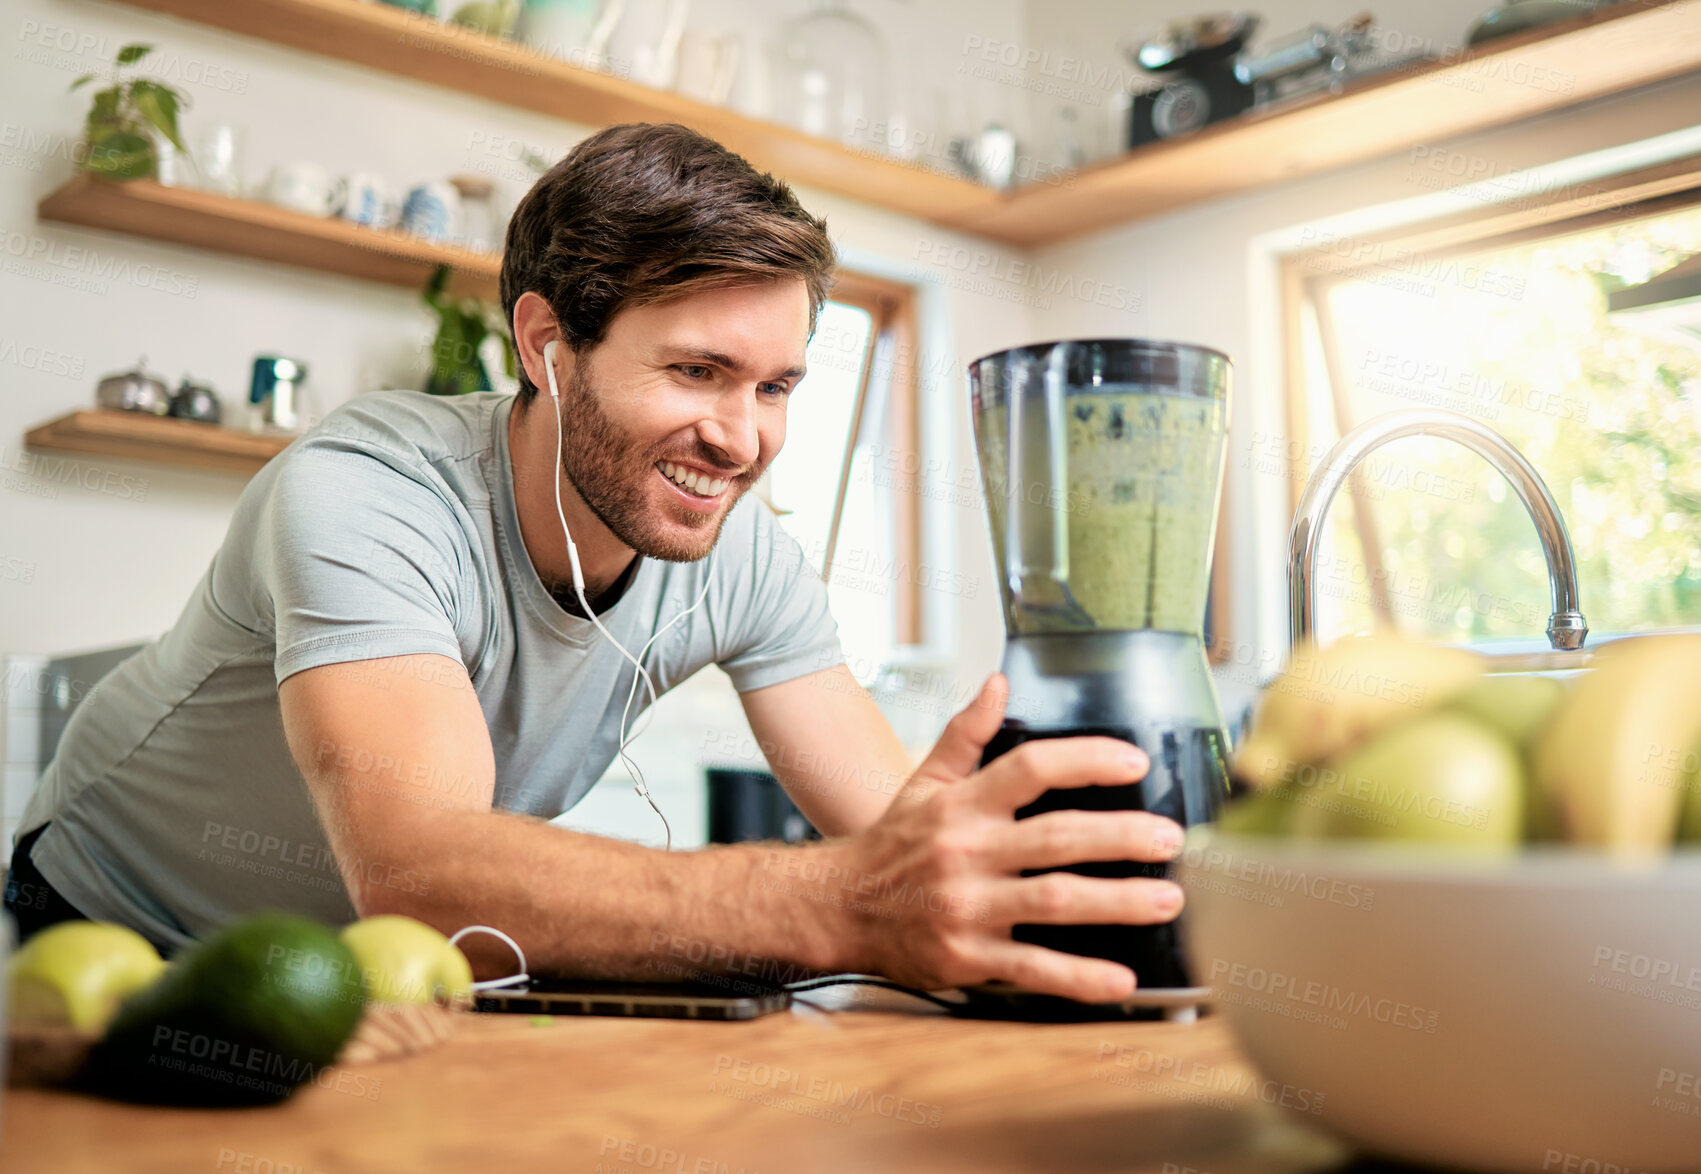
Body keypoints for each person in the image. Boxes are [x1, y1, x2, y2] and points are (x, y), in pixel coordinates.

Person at [6, 123, 1184, 1003]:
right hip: (109, 933)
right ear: (546, 343)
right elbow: (421, 872)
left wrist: (991, 884)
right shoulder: (362, 491)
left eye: (775, 386)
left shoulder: (746, 561)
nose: (742, 437)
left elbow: (896, 841)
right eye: (695, 372)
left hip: (371, 979)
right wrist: (852, 901)